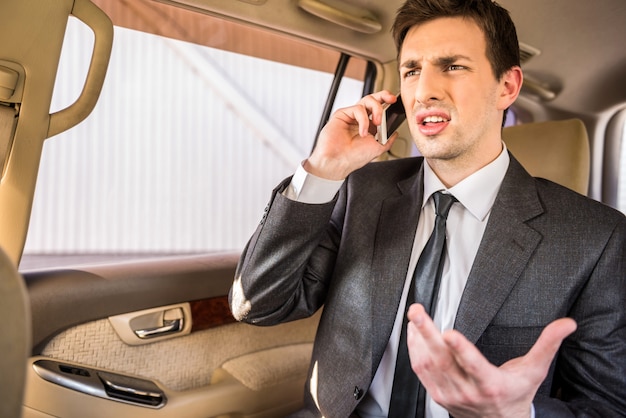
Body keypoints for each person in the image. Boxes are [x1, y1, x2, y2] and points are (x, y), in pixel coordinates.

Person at [229, 0, 626, 416]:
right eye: (412, 70)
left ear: (507, 87)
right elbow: (259, 303)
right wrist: (323, 170)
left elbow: (608, 406)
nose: (424, 92)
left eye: (452, 66)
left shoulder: (594, 237)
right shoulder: (360, 192)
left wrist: (519, 415)